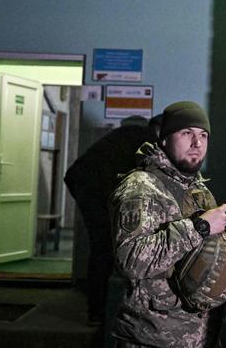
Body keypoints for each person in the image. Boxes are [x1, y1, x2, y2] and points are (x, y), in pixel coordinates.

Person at [108, 101, 226, 347]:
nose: (197, 143)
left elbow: (202, 255)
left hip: (197, 335)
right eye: (186, 133)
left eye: (203, 135)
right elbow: (130, 259)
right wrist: (199, 227)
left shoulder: (198, 189)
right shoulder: (141, 187)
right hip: (154, 337)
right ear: (164, 140)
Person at [64, 114, 162, 324]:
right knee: (105, 249)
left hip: (87, 187)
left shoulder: (123, 135)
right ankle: (100, 311)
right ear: (159, 129)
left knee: (103, 248)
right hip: (97, 192)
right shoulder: (148, 141)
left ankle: (97, 310)